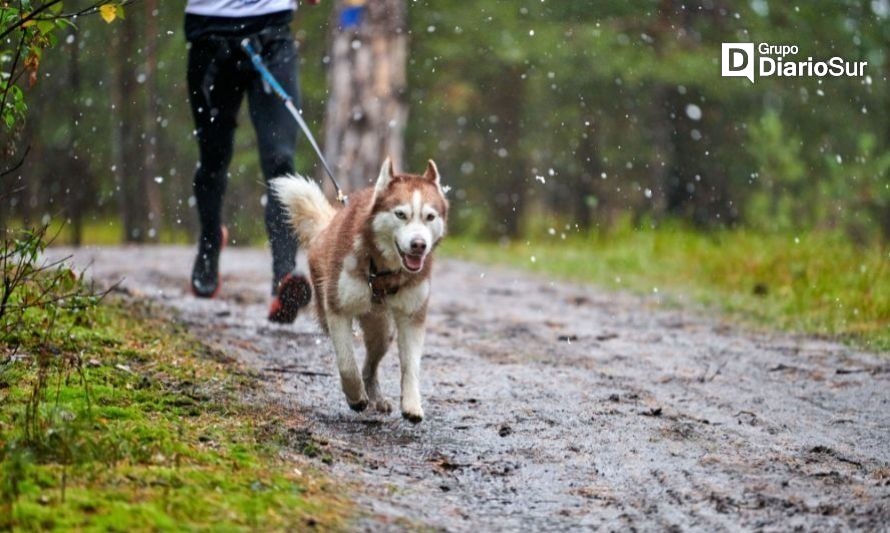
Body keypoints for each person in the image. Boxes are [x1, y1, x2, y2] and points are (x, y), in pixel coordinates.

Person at [184, 0, 319, 322]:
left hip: (272, 35)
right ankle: (210, 239)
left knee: (281, 159)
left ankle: (284, 278)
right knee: (213, 158)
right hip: (208, 36)